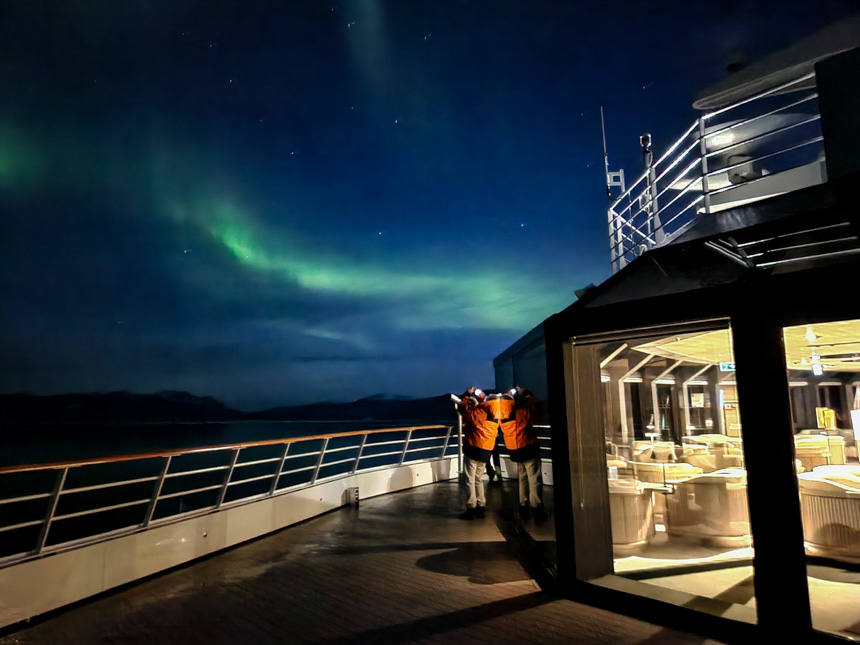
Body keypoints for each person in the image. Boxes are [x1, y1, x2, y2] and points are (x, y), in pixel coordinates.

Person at [501, 386, 547, 521]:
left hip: (515, 450)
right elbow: (532, 406)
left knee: (522, 477)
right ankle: (536, 506)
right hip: (527, 447)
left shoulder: (503, 417)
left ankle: (523, 504)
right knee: (534, 478)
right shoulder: (521, 412)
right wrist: (527, 394)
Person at [456, 386, 497, 519]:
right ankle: (481, 505)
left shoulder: (478, 414)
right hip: (486, 451)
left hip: (473, 448)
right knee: (479, 479)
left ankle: (471, 507)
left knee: (469, 479)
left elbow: (462, 408)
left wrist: (467, 395)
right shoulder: (495, 416)